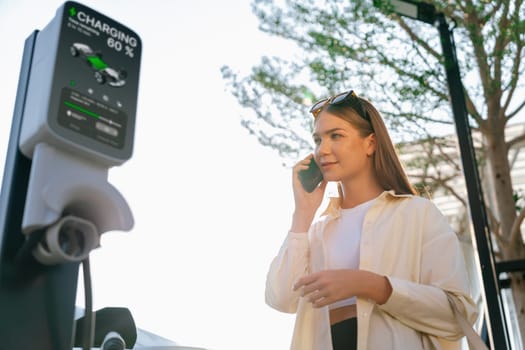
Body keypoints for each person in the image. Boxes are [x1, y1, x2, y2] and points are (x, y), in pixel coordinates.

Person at [264, 90, 479, 350]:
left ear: (371, 143)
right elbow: (281, 298)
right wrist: (302, 214)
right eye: (317, 139)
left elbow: (458, 316)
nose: (323, 149)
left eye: (336, 136)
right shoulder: (317, 231)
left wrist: (371, 285)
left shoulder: (418, 213)